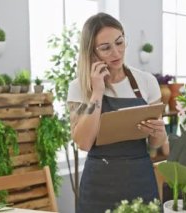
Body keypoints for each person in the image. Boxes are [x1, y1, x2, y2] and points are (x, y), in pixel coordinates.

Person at [67, 12, 169, 212]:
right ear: (91, 52)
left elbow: (155, 145)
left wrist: (159, 133)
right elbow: (84, 142)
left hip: (140, 179)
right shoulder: (79, 87)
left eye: (119, 42)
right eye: (106, 48)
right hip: (98, 184)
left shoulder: (147, 82)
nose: (116, 53)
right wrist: (97, 92)